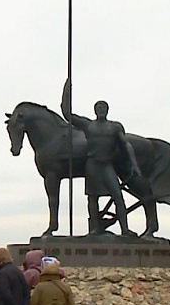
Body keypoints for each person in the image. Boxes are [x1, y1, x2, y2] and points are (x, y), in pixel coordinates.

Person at [61, 79, 142, 236]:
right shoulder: (88, 125)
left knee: (118, 196)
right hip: (92, 166)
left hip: (107, 166)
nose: (101, 110)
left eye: (103, 108)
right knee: (92, 198)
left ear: (107, 110)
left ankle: (125, 229)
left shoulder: (115, 126)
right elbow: (67, 114)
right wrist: (67, 91)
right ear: (95, 110)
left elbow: (126, 144)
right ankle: (95, 228)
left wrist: (134, 164)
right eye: (98, 108)